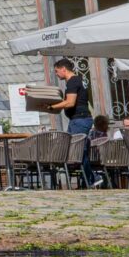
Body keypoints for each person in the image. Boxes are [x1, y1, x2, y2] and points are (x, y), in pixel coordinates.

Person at [50, 54, 102, 187]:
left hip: (80, 120)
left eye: (56, 71)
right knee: (76, 150)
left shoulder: (73, 81)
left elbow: (70, 102)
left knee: (78, 150)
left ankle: (93, 178)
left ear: (63, 69)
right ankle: (89, 179)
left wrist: (51, 107)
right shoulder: (76, 80)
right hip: (77, 120)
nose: (56, 74)